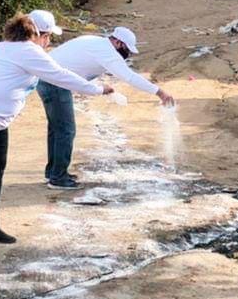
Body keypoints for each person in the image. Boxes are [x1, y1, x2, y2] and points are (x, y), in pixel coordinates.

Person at [0, 11, 111, 249]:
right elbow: (60, 75)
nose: (48, 42)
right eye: (47, 36)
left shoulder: (6, 46)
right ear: (37, 34)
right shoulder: (28, 51)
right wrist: (97, 89)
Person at [36, 22, 176, 189]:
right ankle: (58, 178)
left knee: (57, 129)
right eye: (126, 49)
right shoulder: (106, 51)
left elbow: (80, 68)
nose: (126, 54)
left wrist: (100, 88)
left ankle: (53, 172)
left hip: (48, 79)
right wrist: (160, 92)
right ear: (117, 42)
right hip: (55, 83)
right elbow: (129, 77)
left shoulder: (95, 43)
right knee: (66, 130)